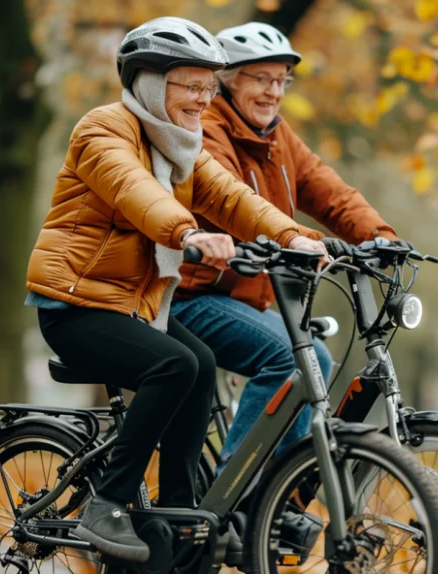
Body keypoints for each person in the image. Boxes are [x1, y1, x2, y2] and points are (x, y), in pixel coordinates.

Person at [23, 17, 327, 563]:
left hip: (136, 305)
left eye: (209, 88)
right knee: (175, 366)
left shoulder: (181, 147)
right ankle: (107, 504)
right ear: (147, 82)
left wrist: (298, 237)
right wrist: (186, 232)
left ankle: (182, 512)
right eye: (191, 86)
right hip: (75, 302)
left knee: (202, 363)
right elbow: (133, 190)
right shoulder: (102, 130)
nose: (204, 100)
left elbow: (234, 199)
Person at [172, 22, 401, 470]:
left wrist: (380, 236)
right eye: (261, 78)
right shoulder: (206, 133)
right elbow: (239, 207)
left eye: (281, 81)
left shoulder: (277, 137)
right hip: (187, 296)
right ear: (228, 80)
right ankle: (239, 497)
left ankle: (280, 498)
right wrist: (307, 242)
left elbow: (328, 191)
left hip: (243, 297)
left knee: (311, 360)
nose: (274, 92)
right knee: (298, 359)